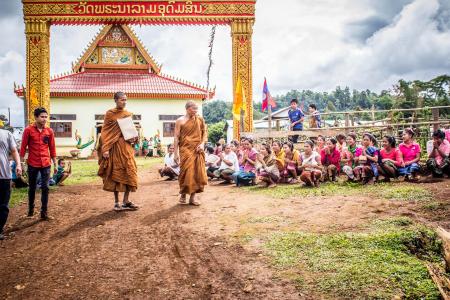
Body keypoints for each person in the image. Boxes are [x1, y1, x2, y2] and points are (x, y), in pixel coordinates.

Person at [98, 92, 139, 211]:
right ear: (115, 100)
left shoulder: (128, 114)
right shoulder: (110, 114)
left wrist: (134, 137)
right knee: (115, 173)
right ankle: (117, 202)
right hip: (114, 147)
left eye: (125, 100)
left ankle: (126, 200)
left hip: (126, 147)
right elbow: (105, 132)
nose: (124, 102)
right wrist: (105, 148)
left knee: (129, 171)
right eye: (122, 100)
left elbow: (131, 131)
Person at [20, 107, 57, 220]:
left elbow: (52, 148)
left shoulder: (49, 131)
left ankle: (44, 212)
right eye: (42, 117)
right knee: (32, 187)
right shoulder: (28, 130)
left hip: (46, 163)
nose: (44, 119)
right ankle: (31, 209)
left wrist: (55, 163)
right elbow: (23, 147)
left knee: (45, 187)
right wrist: (21, 162)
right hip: (32, 163)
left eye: (46, 117)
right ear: (36, 117)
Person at [173, 101, 208, 205]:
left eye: (197, 109)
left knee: (197, 173)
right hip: (185, 150)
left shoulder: (200, 119)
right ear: (187, 109)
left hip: (197, 149)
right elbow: (176, 137)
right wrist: (175, 153)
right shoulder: (180, 120)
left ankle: (192, 198)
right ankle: (183, 194)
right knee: (186, 172)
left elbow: (204, 133)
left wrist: (202, 145)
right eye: (194, 109)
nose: (196, 111)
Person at [1, 128, 22, 240]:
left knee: (3, 205)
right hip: (4, 175)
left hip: (4, 175)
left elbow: (14, 151)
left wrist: (18, 165)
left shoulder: (6, 134)